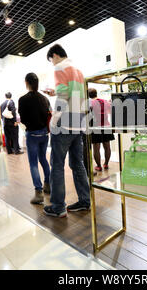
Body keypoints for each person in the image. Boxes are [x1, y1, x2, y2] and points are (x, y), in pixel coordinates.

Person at [42, 44, 90, 218]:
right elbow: (74, 95)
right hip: (78, 122)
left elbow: (63, 97)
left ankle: (58, 206)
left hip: (64, 124)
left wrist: (54, 120)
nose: (52, 63)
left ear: (55, 55)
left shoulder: (59, 67)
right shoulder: (78, 71)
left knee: (57, 165)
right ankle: (85, 200)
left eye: (51, 60)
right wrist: (55, 92)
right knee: (78, 164)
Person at [18, 73, 51, 205]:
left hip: (32, 134)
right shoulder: (44, 98)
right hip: (44, 134)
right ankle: (48, 185)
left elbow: (23, 118)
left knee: (33, 163)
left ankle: (38, 193)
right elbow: (48, 115)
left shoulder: (23, 99)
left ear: (26, 82)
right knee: (43, 158)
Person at [88, 88, 114, 172]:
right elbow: (110, 111)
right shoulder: (105, 101)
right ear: (96, 93)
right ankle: (106, 164)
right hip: (106, 126)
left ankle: (98, 166)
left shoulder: (90, 103)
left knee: (96, 148)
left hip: (95, 127)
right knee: (107, 146)